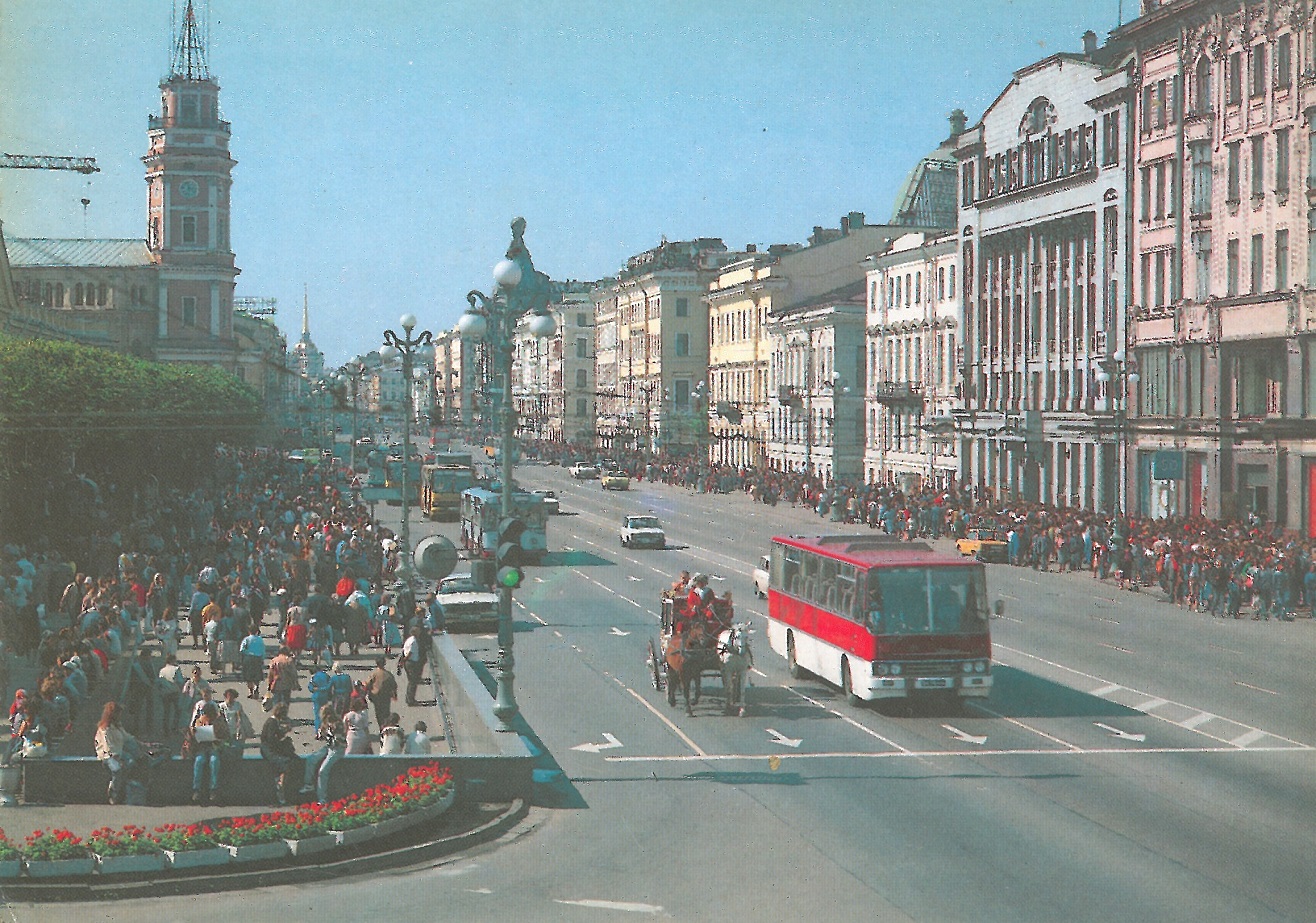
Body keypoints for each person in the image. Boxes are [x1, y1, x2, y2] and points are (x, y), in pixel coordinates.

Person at [94, 701, 141, 805]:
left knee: (131, 761)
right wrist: (115, 757)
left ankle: (122, 787)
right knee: (117, 770)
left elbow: (126, 737)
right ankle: (113, 792)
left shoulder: (118, 726)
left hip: (119, 753)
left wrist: (140, 743)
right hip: (107, 755)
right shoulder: (104, 728)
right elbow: (107, 745)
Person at [186, 702, 230, 806]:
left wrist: (219, 738)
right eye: (207, 715)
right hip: (202, 747)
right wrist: (194, 733)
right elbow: (192, 736)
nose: (208, 718)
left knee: (214, 761)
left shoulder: (219, 722)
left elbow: (226, 737)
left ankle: (213, 789)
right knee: (199, 761)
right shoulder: (199, 721)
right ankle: (196, 789)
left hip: (215, 746)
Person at [300, 706, 345, 803]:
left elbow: (339, 740)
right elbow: (320, 738)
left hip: (337, 749)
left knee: (322, 771)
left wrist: (331, 731)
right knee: (311, 759)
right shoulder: (325, 724)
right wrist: (321, 733)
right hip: (329, 747)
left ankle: (322, 798)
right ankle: (309, 784)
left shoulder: (337, 724)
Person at [259, 701, 298, 806]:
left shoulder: (273, 721)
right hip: (268, 750)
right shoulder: (272, 722)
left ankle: (279, 781)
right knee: (285, 763)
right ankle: (280, 786)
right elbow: (271, 740)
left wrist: (283, 732)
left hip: (269, 748)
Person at [398, 627, 429, 706]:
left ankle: (408, 698)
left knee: (411, 681)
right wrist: (404, 660)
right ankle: (411, 700)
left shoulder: (409, 639)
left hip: (408, 663)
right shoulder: (414, 642)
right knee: (413, 682)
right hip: (412, 663)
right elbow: (409, 653)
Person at [365, 655, 398, 729]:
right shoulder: (389, 675)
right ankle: (386, 726)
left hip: (376, 697)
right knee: (386, 712)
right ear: (384, 663)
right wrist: (394, 695)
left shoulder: (374, 674)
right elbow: (394, 686)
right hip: (386, 697)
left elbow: (367, 684)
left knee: (378, 713)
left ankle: (381, 727)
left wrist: (368, 692)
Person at [157, 653, 187, 732]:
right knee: (177, 710)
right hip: (175, 692)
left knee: (166, 711)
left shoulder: (162, 670)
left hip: (165, 693)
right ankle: (175, 727)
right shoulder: (176, 669)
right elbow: (180, 681)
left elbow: (159, 682)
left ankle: (165, 728)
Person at [239, 622, 266, 700]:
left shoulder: (246, 639)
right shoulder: (260, 639)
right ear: (257, 631)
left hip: (248, 658)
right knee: (257, 674)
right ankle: (256, 686)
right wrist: (262, 658)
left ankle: (250, 691)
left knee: (248, 676)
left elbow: (242, 649)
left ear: (249, 631)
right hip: (257, 658)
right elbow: (263, 650)